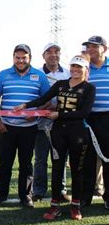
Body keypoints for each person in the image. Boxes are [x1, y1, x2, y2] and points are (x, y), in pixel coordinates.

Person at [15, 55, 95, 220]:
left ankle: (75, 205)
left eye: (79, 67)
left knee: (76, 170)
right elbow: (43, 99)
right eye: (73, 66)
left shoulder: (89, 88)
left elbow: (84, 113)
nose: (75, 70)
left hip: (78, 134)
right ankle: (55, 206)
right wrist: (26, 105)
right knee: (57, 168)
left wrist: (58, 114)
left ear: (85, 69)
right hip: (58, 132)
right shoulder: (60, 85)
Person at [0, 44, 50, 208]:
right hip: (7, 127)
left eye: (24, 57)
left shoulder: (39, 76)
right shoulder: (3, 75)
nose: (20, 60)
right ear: (13, 58)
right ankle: (1, 194)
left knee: (26, 163)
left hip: (29, 127)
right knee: (5, 163)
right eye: (17, 57)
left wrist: (34, 113)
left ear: (30, 58)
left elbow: (46, 99)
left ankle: (25, 196)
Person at [32, 43, 71, 202]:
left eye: (57, 52)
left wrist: (57, 106)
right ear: (43, 55)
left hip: (61, 124)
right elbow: (34, 97)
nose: (53, 55)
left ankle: (60, 190)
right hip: (41, 125)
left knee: (60, 158)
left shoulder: (68, 74)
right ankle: (39, 190)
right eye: (49, 52)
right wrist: (41, 106)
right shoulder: (36, 73)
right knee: (40, 159)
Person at [80, 35, 109, 209]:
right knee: (87, 159)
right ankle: (85, 197)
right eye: (88, 47)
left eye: (94, 47)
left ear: (104, 48)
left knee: (108, 160)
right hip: (87, 118)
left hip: (107, 118)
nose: (90, 50)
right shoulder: (84, 68)